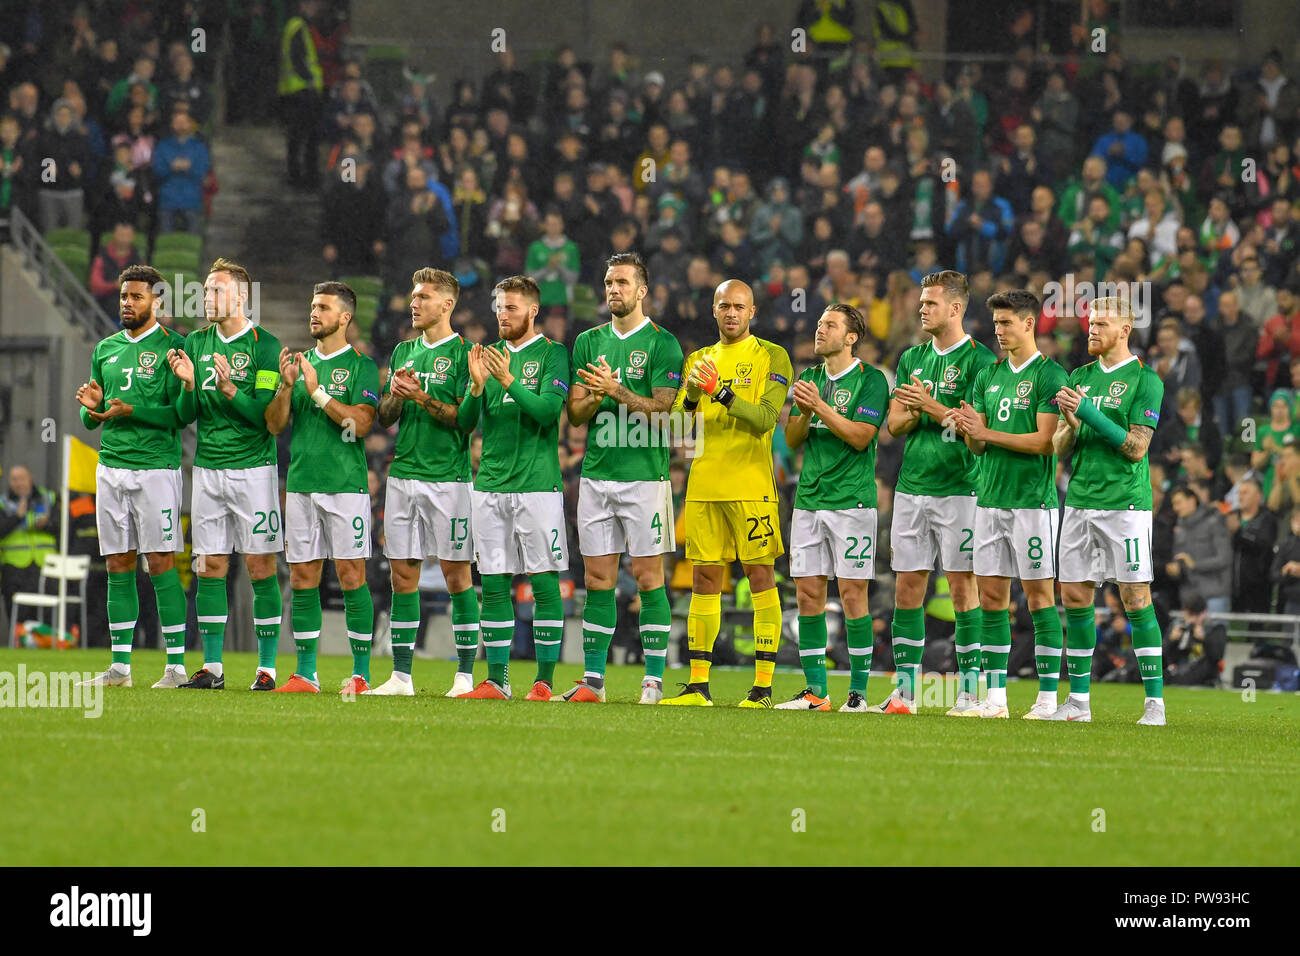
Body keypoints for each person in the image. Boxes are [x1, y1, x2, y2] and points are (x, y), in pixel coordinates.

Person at [661, 279, 793, 707]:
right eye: (724, 306)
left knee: (759, 577)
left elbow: (765, 418)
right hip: (704, 485)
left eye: (739, 306)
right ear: (713, 311)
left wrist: (719, 391)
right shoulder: (698, 359)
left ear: (752, 312)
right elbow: (679, 428)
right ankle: (699, 686)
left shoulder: (772, 355)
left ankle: (763, 688)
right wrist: (693, 395)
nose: (731, 313)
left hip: (751, 486)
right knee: (704, 580)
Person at [565, 252, 684, 703]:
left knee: (650, 577)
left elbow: (665, 409)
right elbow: (575, 415)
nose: (613, 289)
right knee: (597, 579)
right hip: (596, 475)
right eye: (608, 282)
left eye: (622, 282)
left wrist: (615, 390)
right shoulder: (588, 341)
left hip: (644, 478)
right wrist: (595, 396)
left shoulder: (662, 343)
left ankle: (652, 680)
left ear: (642, 290)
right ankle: (593, 681)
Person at [879, 270, 996, 714]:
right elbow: (893, 425)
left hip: (961, 490)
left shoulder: (982, 362)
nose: (922, 309)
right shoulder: (912, 358)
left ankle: (969, 691)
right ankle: (904, 691)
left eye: (930, 303)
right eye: (921, 302)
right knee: (907, 587)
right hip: (912, 489)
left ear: (956, 308)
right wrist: (916, 411)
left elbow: (975, 432)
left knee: (964, 587)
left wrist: (927, 405)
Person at [166, 259, 285, 690]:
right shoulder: (195, 343)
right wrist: (188, 384)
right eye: (205, 290)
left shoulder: (265, 345)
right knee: (209, 564)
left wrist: (233, 387)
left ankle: (267, 669)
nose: (207, 298)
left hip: (254, 470)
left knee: (259, 566)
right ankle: (212, 668)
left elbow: (267, 418)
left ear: (241, 297)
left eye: (216, 290)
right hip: (208, 471)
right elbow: (185, 417)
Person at [952, 289, 1069, 718]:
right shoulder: (988, 376)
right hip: (989, 501)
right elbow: (978, 449)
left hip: (1032, 504)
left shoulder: (1050, 376)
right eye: (995, 324)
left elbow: (1044, 443)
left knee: (1039, 598)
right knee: (992, 599)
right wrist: (968, 428)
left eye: (1006, 323)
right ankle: (996, 699)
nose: (998, 332)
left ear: (1028, 323)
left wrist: (986, 433)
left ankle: (1047, 699)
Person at [456, 275, 572, 700]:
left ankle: (543, 682)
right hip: (489, 485)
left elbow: (545, 414)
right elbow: (466, 424)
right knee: (494, 582)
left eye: (512, 308)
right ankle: (497, 680)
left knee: (543, 583)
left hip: (538, 486)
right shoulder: (487, 358)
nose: (503, 315)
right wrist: (475, 386)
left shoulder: (553, 354)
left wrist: (507, 381)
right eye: (500, 307)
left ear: (533, 311)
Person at [1053, 296, 1167, 725]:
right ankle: (1078, 702)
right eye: (1089, 322)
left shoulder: (1145, 381)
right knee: (1075, 596)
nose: (1092, 329)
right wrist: (1070, 421)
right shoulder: (1079, 376)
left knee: (1135, 597)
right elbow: (1059, 447)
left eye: (1101, 323)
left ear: (1125, 330)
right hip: (1080, 500)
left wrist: (1088, 412)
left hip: (1126, 505)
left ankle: (1154, 703)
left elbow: (1137, 448)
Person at [264, 281, 380, 694]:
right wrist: (285, 385)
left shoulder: (362, 366)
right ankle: (306, 673)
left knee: (351, 576)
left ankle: (362, 674)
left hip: (345, 486)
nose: (314, 313)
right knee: (301, 577)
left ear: (344, 317)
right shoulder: (298, 363)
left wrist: (315, 391)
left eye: (324, 307)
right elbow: (275, 425)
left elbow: (361, 423)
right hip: (300, 484)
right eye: (313, 306)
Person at [368, 268, 480, 697]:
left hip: (448, 480)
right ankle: (400, 676)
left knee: (456, 576)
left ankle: (465, 675)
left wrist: (421, 397)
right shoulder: (403, 351)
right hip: (404, 476)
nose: (413, 303)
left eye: (423, 297)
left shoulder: (466, 354)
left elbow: (464, 420)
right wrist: (396, 394)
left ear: (447, 305)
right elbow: (386, 416)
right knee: (402, 576)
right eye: (413, 296)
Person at [76, 265, 188, 689]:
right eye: (124, 296)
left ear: (157, 301)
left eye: (137, 297)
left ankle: (176, 666)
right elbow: (92, 419)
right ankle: (120, 668)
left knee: (159, 562)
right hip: (111, 467)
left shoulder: (175, 348)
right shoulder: (104, 349)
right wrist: (91, 407)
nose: (127, 303)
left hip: (156, 469)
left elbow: (180, 415)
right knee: (118, 563)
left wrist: (132, 411)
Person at [780, 304, 889, 712]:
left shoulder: (871, 380)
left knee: (852, 593)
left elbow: (861, 436)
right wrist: (804, 412)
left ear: (851, 337)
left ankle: (858, 695)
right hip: (809, 498)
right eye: (819, 323)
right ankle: (816, 693)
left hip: (852, 502)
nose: (819, 329)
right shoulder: (808, 378)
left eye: (830, 325)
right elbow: (792, 440)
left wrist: (821, 408)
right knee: (808, 594)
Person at [0, 465, 58, 624]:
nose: (19, 483)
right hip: (14, 567)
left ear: (30, 479)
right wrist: (17, 517)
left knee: (46, 615)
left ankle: (45, 643)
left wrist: (47, 524)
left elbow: (64, 528)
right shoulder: (3, 503)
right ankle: (19, 644)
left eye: (22, 479)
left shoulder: (49, 498)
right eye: (14, 480)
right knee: (17, 616)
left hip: (45, 565)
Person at [277, 0, 324, 188]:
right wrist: (310, 80)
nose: (316, 9)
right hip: (302, 91)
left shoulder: (295, 25)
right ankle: (306, 177)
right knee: (308, 136)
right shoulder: (299, 26)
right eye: (313, 5)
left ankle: (297, 175)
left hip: (294, 91)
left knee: (296, 137)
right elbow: (298, 57)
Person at [1167, 484, 1232, 614]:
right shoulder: (1179, 529)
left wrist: (1195, 565)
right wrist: (1176, 569)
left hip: (1214, 594)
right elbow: (1180, 559)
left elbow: (1225, 558)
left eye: (1179, 502)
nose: (1176, 508)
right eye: (1174, 504)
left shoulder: (1214, 522)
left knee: (1216, 632)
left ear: (1192, 500)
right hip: (1189, 597)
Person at [1228, 477, 1276, 614]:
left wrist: (1238, 533)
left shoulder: (1267, 518)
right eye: (1239, 493)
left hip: (1258, 585)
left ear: (1258, 495)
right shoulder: (1232, 516)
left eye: (1245, 493)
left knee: (1255, 630)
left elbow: (1263, 546)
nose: (1240, 497)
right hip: (1231, 584)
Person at [1163, 592, 1225, 687]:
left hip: (1202, 673)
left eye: (1196, 615)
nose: (1192, 620)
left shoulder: (1215, 628)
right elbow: (1163, 655)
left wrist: (1204, 639)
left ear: (1204, 613)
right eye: (1190, 615)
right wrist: (1171, 640)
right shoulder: (1177, 626)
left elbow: (1217, 656)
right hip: (1178, 670)